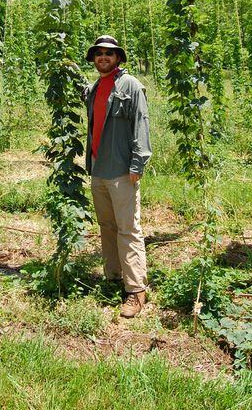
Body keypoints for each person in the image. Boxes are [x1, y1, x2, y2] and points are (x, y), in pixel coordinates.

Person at [84, 35, 152, 318]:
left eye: (109, 54)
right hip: (98, 169)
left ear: (118, 58)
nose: (103, 57)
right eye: (98, 53)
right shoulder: (94, 88)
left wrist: (137, 164)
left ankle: (136, 291)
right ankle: (113, 278)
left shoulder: (132, 86)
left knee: (128, 230)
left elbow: (141, 124)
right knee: (107, 226)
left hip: (123, 171)